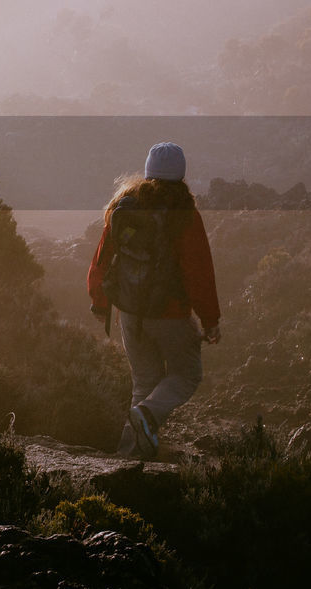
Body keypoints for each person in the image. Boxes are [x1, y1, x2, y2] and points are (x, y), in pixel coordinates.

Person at [87, 142, 220, 459]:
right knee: (186, 375)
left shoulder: (125, 206)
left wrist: (100, 302)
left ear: (147, 172)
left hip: (130, 312)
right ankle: (146, 418)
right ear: (181, 175)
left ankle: (129, 454)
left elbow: (102, 259)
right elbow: (198, 272)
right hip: (169, 314)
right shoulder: (184, 215)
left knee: (145, 382)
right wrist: (210, 319)